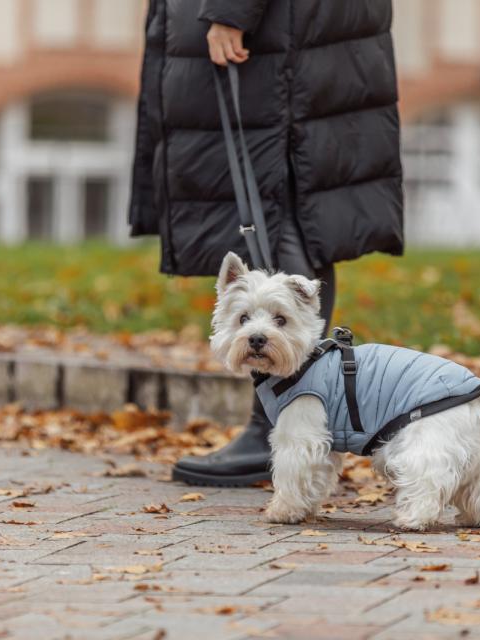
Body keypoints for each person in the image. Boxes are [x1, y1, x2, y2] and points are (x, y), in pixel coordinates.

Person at [129, 0, 404, 486]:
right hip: (289, 33)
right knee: (292, 217)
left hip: (273, 37)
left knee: (281, 217)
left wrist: (230, 11)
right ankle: (289, 425)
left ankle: (281, 427)